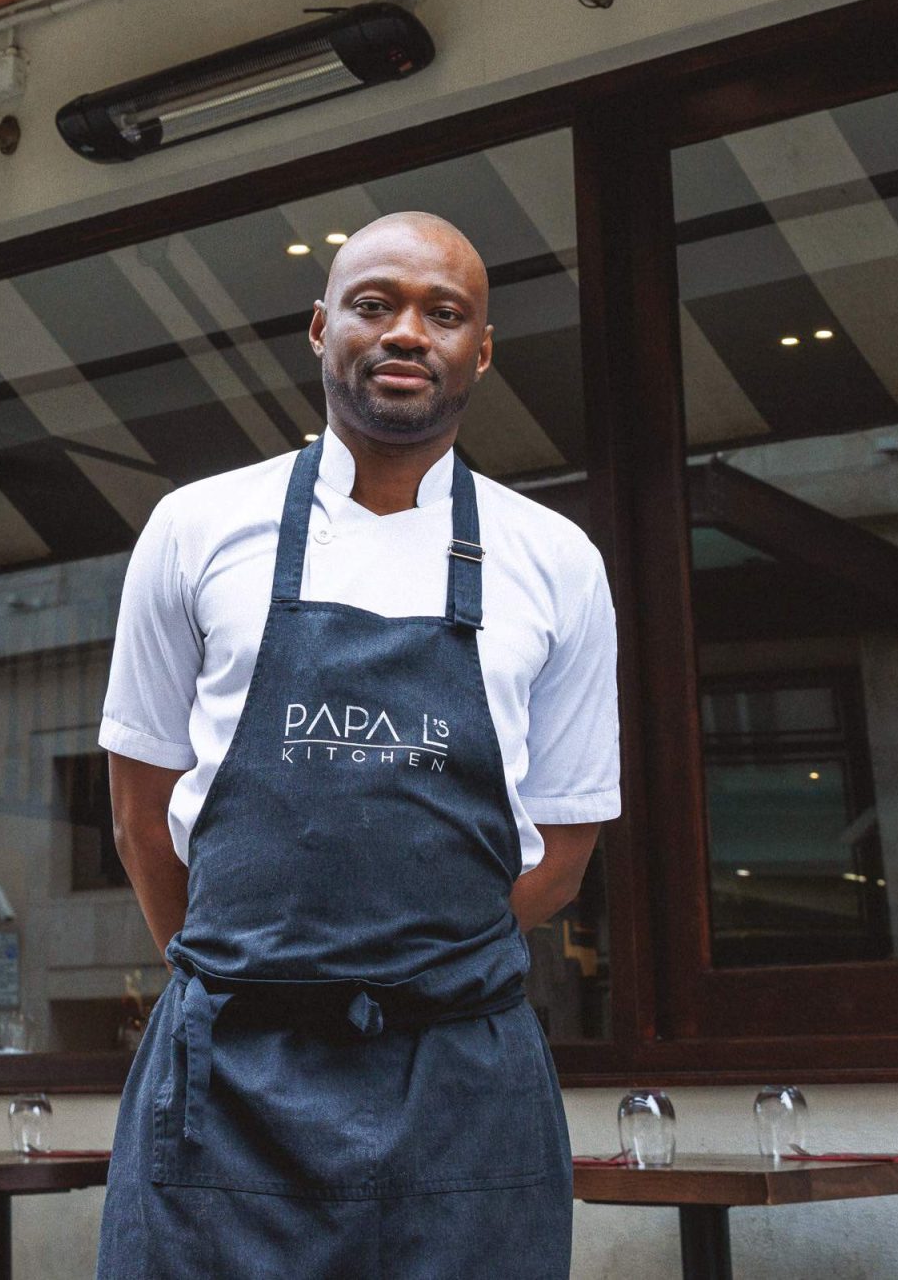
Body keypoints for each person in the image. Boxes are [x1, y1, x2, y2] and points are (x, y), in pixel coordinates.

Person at [93, 210, 619, 1279]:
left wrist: (419, 960)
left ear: (481, 347)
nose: (405, 332)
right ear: (320, 325)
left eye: (443, 312)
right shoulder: (195, 527)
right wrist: (255, 969)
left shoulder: (555, 560)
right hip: (227, 1075)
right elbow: (140, 813)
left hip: (462, 1085)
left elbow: (562, 855)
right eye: (374, 303)